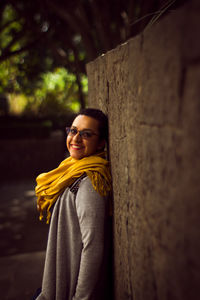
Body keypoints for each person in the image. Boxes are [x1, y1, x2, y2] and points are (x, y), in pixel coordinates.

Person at [34, 108, 112, 300]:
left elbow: (92, 247)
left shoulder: (89, 182)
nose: (76, 139)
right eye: (73, 131)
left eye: (86, 134)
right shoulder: (72, 170)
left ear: (101, 142)